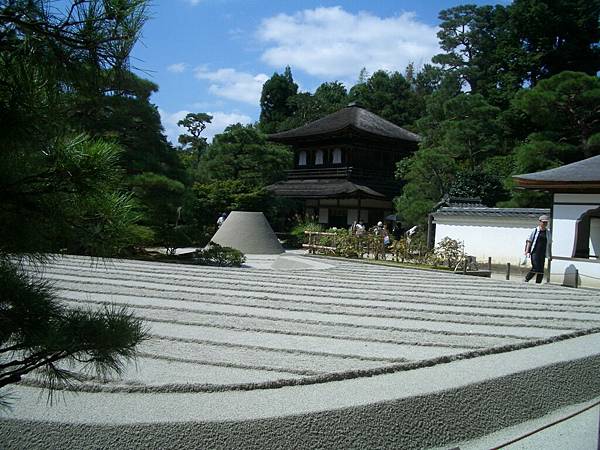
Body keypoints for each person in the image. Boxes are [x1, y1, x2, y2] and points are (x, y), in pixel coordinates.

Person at [524, 215, 552, 283]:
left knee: (541, 269)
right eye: (543, 222)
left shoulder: (548, 232)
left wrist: (550, 254)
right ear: (540, 222)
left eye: (546, 222)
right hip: (535, 252)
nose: (545, 224)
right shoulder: (535, 230)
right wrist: (527, 251)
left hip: (543, 253)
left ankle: (538, 282)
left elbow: (549, 244)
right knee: (535, 267)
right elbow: (529, 240)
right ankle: (527, 279)